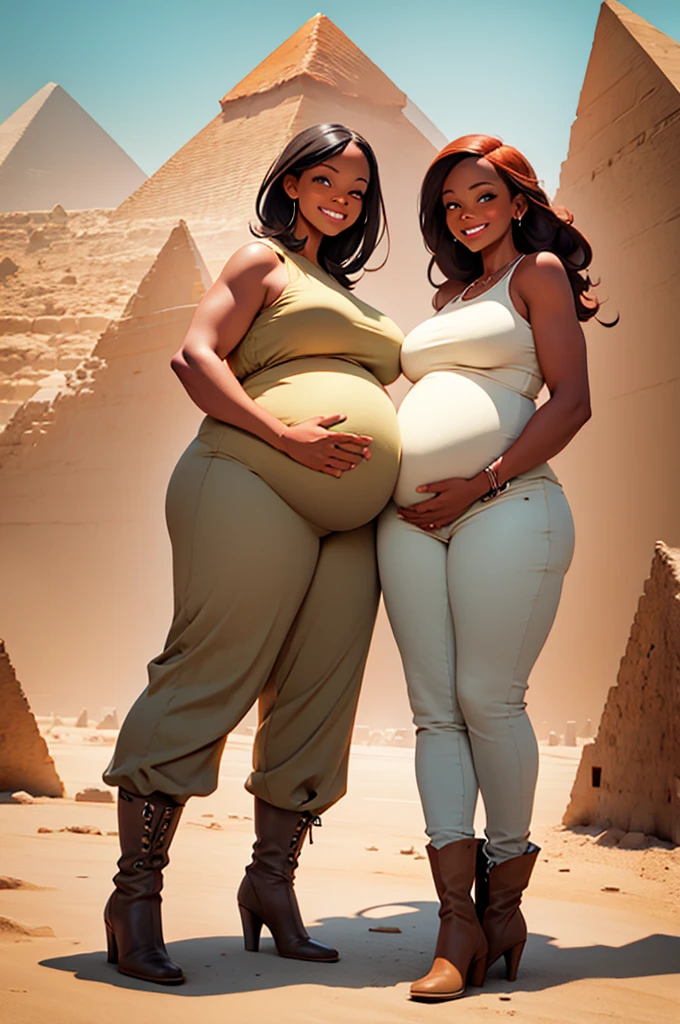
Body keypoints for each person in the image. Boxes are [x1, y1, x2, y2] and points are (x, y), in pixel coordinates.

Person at [102, 123, 403, 984]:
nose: (344, 197)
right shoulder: (261, 261)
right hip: (252, 476)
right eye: (328, 179)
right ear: (294, 180)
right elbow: (194, 355)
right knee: (211, 670)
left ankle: (272, 886)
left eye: (358, 188)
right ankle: (135, 898)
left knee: (319, 696)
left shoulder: (347, 290)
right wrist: (286, 435)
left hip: (348, 522)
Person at [377, 134, 605, 1002]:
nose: (466, 214)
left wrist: (476, 481)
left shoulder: (536, 273)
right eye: (451, 204)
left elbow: (572, 402)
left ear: (517, 199)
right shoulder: (448, 296)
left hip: (504, 507)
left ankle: (503, 901)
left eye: (482, 197)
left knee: (486, 699)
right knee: (434, 713)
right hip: (408, 526)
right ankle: (456, 926)